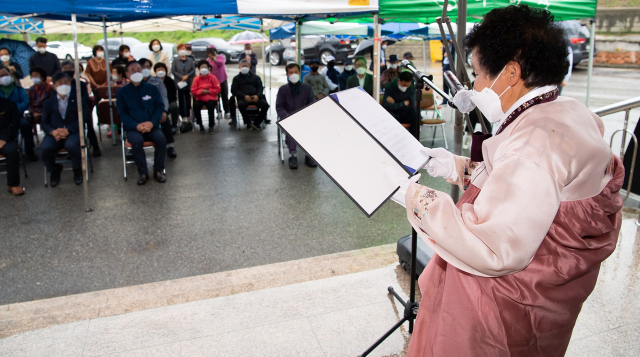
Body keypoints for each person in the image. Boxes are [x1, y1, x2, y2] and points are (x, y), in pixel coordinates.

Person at [388, 6, 622, 357]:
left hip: (503, 307)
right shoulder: (568, 111)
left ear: (510, 73)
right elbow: (522, 188)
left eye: (480, 74)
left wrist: (410, 194)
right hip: (548, 294)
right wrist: (452, 166)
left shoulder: (533, 144)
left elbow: (492, 246)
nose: (476, 86)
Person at [116, 61, 167, 185]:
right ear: (127, 74)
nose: (137, 72)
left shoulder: (151, 88)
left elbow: (159, 107)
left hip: (152, 126)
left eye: (139, 69)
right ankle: (143, 173)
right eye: (133, 70)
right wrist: (136, 125)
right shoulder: (122, 92)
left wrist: (151, 123)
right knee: (137, 142)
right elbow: (122, 114)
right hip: (134, 128)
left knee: (161, 139)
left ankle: (158, 170)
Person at [40, 72, 87, 187]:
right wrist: (53, 131)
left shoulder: (78, 100)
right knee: (44, 149)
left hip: (72, 131)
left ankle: (77, 171)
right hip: (54, 133)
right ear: (54, 86)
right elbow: (44, 123)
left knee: (72, 145)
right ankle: (54, 170)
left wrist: (68, 130)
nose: (63, 85)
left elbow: (83, 118)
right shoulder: (48, 103)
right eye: (60, 83)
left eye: (66, 82)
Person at [276, 63, 316, 170]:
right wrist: (286, 116)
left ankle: (308, 155)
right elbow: (279, 106)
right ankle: (292, 156)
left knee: (310, 127)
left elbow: (312, 104)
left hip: (304, 117)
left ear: (300, 73)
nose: (293, 74)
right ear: (287, 75)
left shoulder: (306, 88)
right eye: (291, 72)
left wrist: (304, 116)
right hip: (288, 118)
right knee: (291, 126)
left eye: (296, 72)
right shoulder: (283, 89)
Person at [60, 61, 101, 157]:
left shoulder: (80, 84)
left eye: (70, 68)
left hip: (80, 110)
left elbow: (85, 98)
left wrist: (72, 98)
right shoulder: (60, 86)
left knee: (88, 124)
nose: (68, 70)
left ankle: (95, 147)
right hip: (66, 112)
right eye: (65, 68)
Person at [139, 58, 176, 158]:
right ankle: (133, 147)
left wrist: (164, 111)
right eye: (143, 67)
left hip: (156, 110)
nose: (145, 69)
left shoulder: (157, 82)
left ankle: (169, 146)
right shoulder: (136, 83)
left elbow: (163, 97)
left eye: (147, 67)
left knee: (165, 120)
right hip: (141, 112)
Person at [0, 65, 37, 161]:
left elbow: (25, 102)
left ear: (10, 74)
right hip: (2, 118)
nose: (4, 77)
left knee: (26, 125)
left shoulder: (19, 89)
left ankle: (30, 151)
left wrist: (13, 110)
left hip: (17, 115)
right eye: (1, 75)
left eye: (5, 74)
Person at [230, 59, 269, 130]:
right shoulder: (236, 78)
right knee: (241, 105)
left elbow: (260, 88)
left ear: (249, 67)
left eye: (246, 66)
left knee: (265, 105)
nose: (244, 67)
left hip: (255, 97)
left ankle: (257, 123)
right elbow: (234, 90)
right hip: (243, 97)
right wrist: (244, 96)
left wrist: (257, 95)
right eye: (243, 66)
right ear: (239, 67)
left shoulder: (256, 77)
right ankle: (247, 122)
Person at [0, 97, 24, 195]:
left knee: (12, 151)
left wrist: (3, 139)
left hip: (5, 139)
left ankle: (13, 184)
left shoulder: (9, 104)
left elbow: (14, 124)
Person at [191, 59, 221, 133]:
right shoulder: (196, 79)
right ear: (199, 69)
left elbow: (218, 89)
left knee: (211, 106)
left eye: (205, 67)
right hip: (200, 97)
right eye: (202, 67)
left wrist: (209, 91)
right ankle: (200, 124)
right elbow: (193, 91)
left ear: (208, 68)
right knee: (196, 106)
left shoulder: (213, 77)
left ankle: (211, 126)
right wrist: (201, 91)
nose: (204, 69)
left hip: (211, 97)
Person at [172, 44, 196, 132]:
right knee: (181, 100)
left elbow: (193, 70)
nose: (182, 50)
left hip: (188, 82)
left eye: (184, 49)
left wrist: (187, 76)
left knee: (188, 99)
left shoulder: (190, 60)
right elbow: (173, 70)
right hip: (179, 82)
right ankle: (183, 116)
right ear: (178, 50)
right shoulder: (175, 60)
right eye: (180, 49)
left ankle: (189, 115)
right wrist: (181, 76)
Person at [154, 62, 180, 135]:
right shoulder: (153, 81)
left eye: (162, 69)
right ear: (155, 71)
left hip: (169, 101)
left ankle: (173, 126)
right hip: (157, 102)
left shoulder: (170, 81)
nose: (160, 71)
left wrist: (166, 102)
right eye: (158, 70)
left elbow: (173, 93)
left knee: (174, 107)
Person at [206, 47, 230, 120]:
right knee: (216, 97)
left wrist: (214, 58)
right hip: (214, 81)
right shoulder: (208, 60)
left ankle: (227, 111)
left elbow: (220, 63)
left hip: (222, 79)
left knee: (224, 95)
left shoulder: (220, 57)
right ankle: (218, 111)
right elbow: (208, 68)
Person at [441, 39, 455, 105]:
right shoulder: (444, 47)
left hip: (451, 65)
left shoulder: (453, 46)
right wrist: (442, 66)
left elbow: (456, 56)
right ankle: (445, 100)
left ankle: (454, 99)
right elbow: (442, 57)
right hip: (445, 64)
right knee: (445, 82)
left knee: (452, 83)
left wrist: (449, 55)